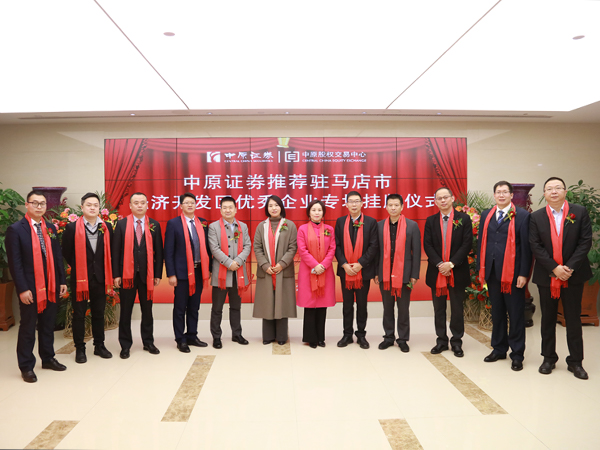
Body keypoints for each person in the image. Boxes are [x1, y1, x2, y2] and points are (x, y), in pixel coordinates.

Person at [529, 177, 593, 380]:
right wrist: (554, 268)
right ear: (544, 194)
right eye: (549, 188)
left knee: (573, 319)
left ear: (565, 192)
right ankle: (548, 358)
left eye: (558, 188)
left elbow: (585, 242)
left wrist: (568, 267)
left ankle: (576, 362)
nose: (554, 191)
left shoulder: (579, 212)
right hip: (547, 276)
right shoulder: (536, 217)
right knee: (547, 319)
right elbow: (535, 245)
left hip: (573, 275)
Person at [6, 190, 68, 383]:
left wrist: (62, 281)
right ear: (27, 205)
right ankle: (26, 366)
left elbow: (57, 257)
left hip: (51, 285)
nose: (39, 206)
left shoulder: (50, 228)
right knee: (27, 327)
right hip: (30, 287)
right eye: (35, 203)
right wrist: (22, 289)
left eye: (42, 203)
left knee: (48, 325)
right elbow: (15, 263)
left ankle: (48, 358)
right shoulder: (16, 230)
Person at [477, 181, 532, 371]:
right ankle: (499, 349)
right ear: (494, 195)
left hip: (513, 274)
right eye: (498, 192)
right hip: (492, 272)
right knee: (497, 313)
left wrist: (524, 273)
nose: (501, 195)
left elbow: (526, 248)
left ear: (511, 195)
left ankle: (517, 354)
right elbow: (481, 243)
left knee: (515, 314)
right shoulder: (486, 214)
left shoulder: (522, 215)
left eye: (505, 192)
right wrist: (481, 269)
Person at [62, 192, 114, 363]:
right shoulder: (72, 228)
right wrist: (80, 267)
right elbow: (67, 253)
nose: (92, 208)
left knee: (99, 313)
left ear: (99, 208)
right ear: (82, 207)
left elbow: (110, 252)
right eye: (89, 205)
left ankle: (99, 346)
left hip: (100, 278)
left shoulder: (106, 227)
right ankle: (80, 349)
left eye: (96, 205)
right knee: (79, 314)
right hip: (80, 278)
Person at [112, 192, 164, 359]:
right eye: (136, 203)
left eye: (143, 202)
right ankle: (125, 345)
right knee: (126, 311)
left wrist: (157, 273)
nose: (140, 205)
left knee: (147, 311)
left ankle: (148, 342)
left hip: (147, 276)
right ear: (130, 206)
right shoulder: (121, 225)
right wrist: (116, 274)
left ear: (147, 205)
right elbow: (115, 251)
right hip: (126, 276)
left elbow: (159, 252)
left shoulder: (154, 224)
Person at [423, 187, 472, 358]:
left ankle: (457, 342)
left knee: (457, 308)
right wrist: (440, 264)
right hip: (437, 271)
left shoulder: (464, 219)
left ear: (452, 198)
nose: (443, 200)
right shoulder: (430, 221)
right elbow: (427, 245)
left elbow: (467, 244)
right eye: (439, 198)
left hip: (457, 271)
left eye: (445, 197)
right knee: (439, 309)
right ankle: (441, 340)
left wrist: (451, 264)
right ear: (435, 201)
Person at [164, 193, 212, 353]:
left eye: (192, 202)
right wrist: (171, 274)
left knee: (194, 307)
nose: (190, 205)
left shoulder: (202, 223)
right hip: (181, 273)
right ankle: (180, 339)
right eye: (186, 203)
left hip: (199, 271)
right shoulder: (173, 223)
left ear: (196, 204)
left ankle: (192, 335)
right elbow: (168, 251)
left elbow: (207, 248)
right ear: (181, 206)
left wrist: (209, 269)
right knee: (180, 308)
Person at [375, 194, 421, 352]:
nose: (393, 208)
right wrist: (376, 272)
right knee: (387, 308)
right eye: (390, 205)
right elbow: (376, 252)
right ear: (386, 207)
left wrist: (414, 274)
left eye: (396, 205)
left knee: (403, 309)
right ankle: (388, 337)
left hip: (405, 275)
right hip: (385, 274)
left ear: (402, 207)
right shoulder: (379, 226)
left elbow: (416, 252)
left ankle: (402, 339)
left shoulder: (412, 226)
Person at [334, 191, 378, 349]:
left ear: (362, 203)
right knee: (347, 305)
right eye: (351, 201)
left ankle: (361, 335)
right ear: (346, 204)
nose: (354, 204)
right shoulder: (340, 222)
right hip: (345, 271)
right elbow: (336, 245)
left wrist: (361, 263)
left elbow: (374, 246)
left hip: (363, 271)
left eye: (357, 201)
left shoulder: (371, 222)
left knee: (362, 304)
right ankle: (347, 334)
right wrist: (344, 264)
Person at [253, 195, 298, 345]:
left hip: (283, 270)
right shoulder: (261, 226)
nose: (273, 208)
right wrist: (265, 265)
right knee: (267, 302)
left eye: (276, 205)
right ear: (267, 208)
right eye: (270, 205)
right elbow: (257, 247)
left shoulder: (290, 225)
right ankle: (268, 336)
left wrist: (282, 264)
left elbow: (293, 247)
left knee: (282, 302)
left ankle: (282, 336)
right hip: (266, 271)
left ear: (281, 207)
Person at [208, 196, 252, 349]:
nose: (228, 210)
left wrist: (237, 262)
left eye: (230, 207)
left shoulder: (243, 226)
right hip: (220, 274)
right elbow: (214, 248)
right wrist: (228, 263)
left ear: (235, 209)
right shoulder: (213, 227)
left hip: (237, 273)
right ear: (220, 210)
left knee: (236, 306)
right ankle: (216, 337)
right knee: (217, 308)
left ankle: (236, 334)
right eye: (224, 207)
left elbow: (247, 246)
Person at [297, 199, 336, 348]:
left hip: (325, 271)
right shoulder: (302, 229)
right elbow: (302, 250)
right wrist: (315, 265)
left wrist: (323, 265)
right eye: (313, 210)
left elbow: (332, 249)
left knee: (322, 305)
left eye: (319, 210)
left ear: (323, 213)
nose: (317, 213)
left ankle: (320, 337)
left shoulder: (329, 229)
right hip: (308, 271)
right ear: (309, 213)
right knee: (309, 305)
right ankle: (310, 338)